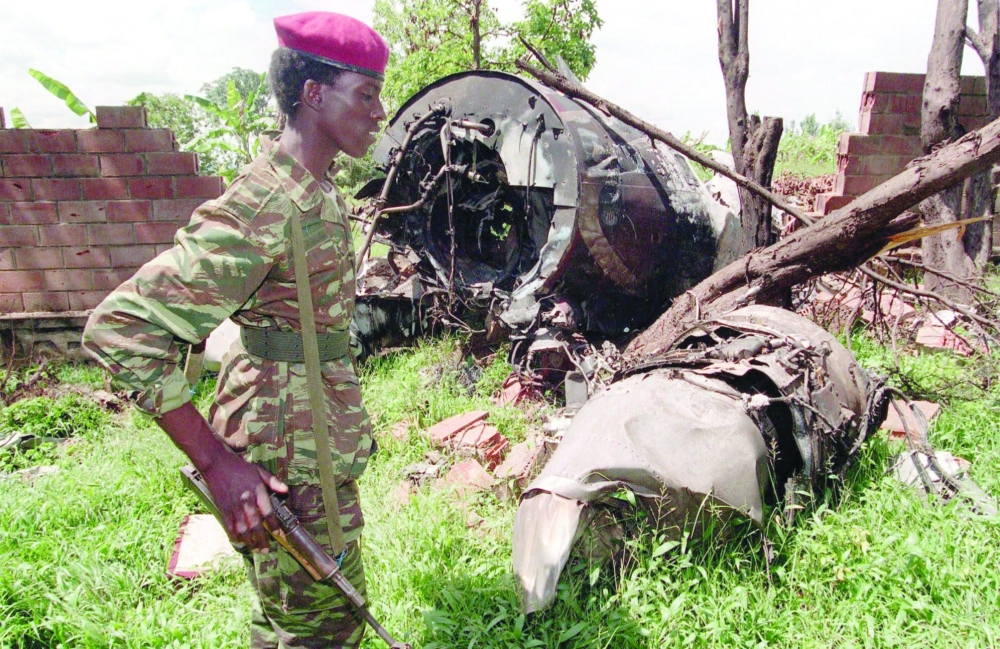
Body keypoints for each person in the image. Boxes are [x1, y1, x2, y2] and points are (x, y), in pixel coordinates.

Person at [82, 12, 389, 648]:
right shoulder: (267, 204)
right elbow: (120, 327)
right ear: (313, 95)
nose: (379, 111)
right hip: (288, 465)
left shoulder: (316, 190)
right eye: (366, 94)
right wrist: (217, 463)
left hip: (311, 444)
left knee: (284, 623)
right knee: (325, 630)